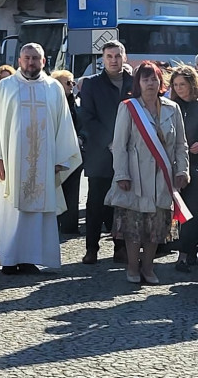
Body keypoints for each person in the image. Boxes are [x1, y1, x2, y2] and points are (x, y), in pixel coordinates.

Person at [0, 44, 82, 275]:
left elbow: (63, 124)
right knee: (12, 211)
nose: (31, 63)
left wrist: (60, 158)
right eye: (27, 58)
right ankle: (10, 258)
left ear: (44, 61)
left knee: (38, 214)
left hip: (43, 164)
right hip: (11, 163)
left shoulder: (53, 88)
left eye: (36, 58)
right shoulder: (5, 87)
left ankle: (31, 258)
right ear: (19, 60)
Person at [108, 61, 189, 284]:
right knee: (135, 226)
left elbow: (181, 144)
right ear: (138, 83)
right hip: (136, 176)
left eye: (154, 78)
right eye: (146, 79)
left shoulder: (173, 108)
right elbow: (119, 145)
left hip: (163, 177)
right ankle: (133, 268)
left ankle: (148, 268)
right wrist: (122, 174)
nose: (150, 83)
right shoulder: (128, 107)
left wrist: (182, 170)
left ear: (160, 81)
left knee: (156, 226)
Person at [78, 40, 133, 264]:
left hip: (130, 152)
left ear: (124, 57)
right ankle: (92, 248)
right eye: (109, 56)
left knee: (123, 204)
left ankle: (120, 247)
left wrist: (125, 144)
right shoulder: (92, 84)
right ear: (102, 59)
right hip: (101, 153)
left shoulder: (133, 82)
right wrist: (111, 142)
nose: (113, 60)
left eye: (117, 56)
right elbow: (87, 118)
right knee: (96, 205)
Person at [170, 65, 198, 272]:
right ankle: (184, 253)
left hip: (196, 164)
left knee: (193, 210)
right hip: (178, 165)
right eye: (176, 84)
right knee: (184, 211)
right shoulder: (171, 107)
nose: (179, 88)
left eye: (183, 84)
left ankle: (187, 252)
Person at [51, 69, 84, 235]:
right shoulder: (51, 103)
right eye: (68, 82)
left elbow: (83, 123)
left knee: (73, 190)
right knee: (57, 189)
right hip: (55, 153)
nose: (72, 86)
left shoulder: (76, 103)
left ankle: (70, 225)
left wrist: (81, 138)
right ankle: (54, 223)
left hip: (74, 152)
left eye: (73, 82)